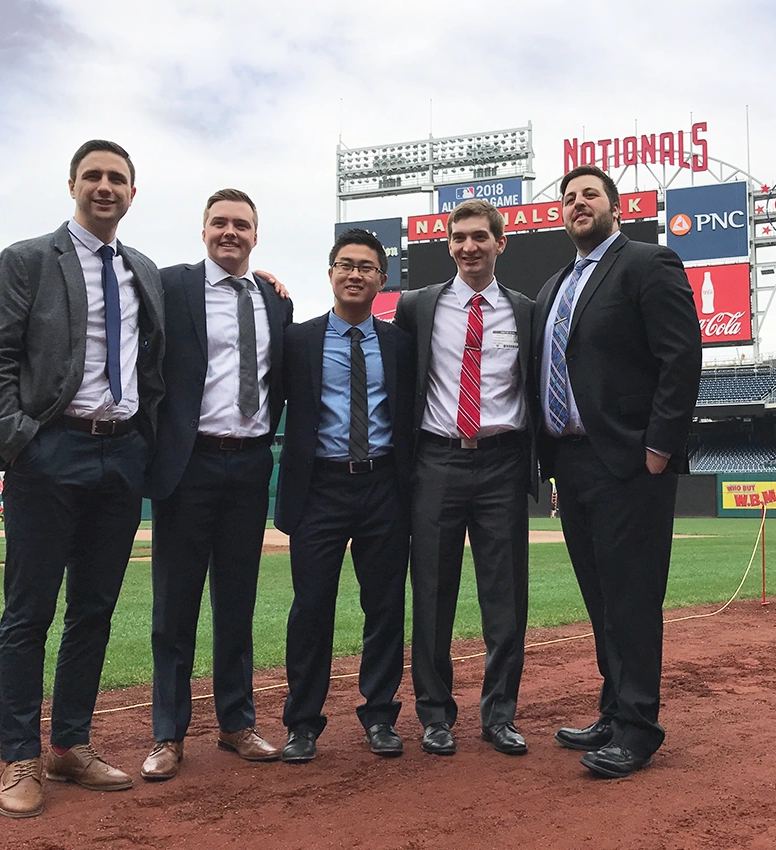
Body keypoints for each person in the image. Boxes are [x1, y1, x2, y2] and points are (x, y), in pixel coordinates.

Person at [0, 140, 165, 818]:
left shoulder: (143, 270)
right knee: (28, 614)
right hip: (50, 454)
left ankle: (69, 745)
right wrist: (25, 445)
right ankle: (19, 757)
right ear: (73, 184)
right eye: (95, 176)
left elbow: (156, 363)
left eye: (118, 179)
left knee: (94, 612)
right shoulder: (26, 260)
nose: (106, 187)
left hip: (119, 457)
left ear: (133, 193)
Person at [532, 165, 701, 779]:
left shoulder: (648, 263)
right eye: (569, 198)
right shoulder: (554, 286)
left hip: (630, 461)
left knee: (631, 599)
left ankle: (638, 727)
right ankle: (613, 707)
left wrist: (658, 446)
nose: (578, 204)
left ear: (615, 207)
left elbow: (681, 357)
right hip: (571, 462)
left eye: (589, 196)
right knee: (601, 598)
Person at [139, 189, 293, 781]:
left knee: (238, 602)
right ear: (203, 230)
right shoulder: (171, 285)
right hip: (190, 463)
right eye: (219, 223)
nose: (230, 232)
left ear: (257, 234)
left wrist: (274, 285)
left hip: (251, 465)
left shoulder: (274, 301)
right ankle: (167, 734)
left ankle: (236, 723)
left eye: (242, 225)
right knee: (174, 607)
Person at [392, 199, 538, 757]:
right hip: (437, 460)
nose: (468, 246)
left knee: (505, 599)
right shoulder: (415, 306)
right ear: (448, 244)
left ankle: (500, 714)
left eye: (480, 236)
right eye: (459, 237)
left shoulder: (526, 311)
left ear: (501, 243)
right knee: (431, 595)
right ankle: (435, 715)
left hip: (502, 461)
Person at [273, 229, 415, 763]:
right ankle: (302, 723)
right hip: (320, 489)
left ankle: (380, 716)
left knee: (384, 606)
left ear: (383, 278)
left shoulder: (401, 342)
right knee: (311, 608)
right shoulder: (299, 341)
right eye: (345, 265)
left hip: (383, 486)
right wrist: (266, 286)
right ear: (330, 273)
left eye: (366, 267)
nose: (355, 274)